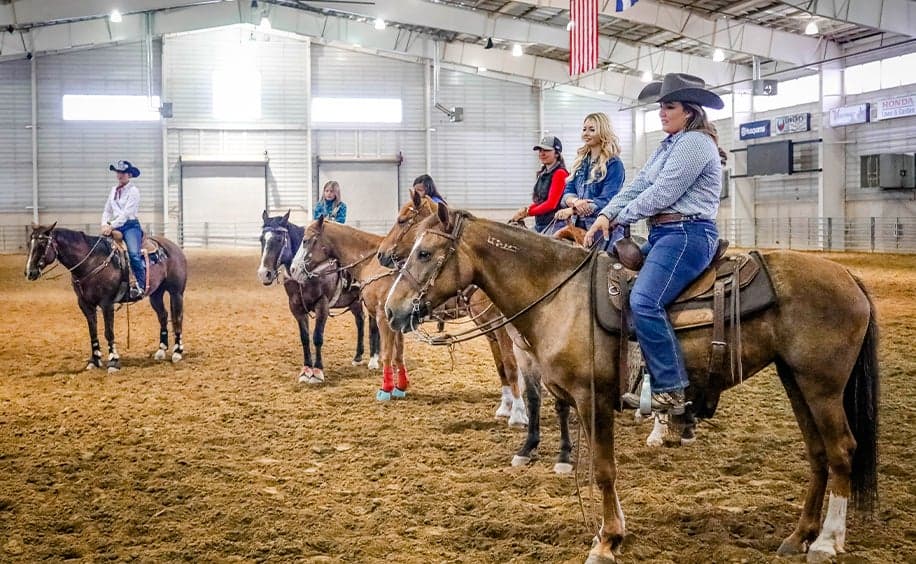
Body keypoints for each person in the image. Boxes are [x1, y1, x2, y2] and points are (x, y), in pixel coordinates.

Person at [584, 73, 728, 415]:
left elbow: (663, 193)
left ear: (689, 111)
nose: (662, 113)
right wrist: (606, 214)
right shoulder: (670, 145)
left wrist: (619, 217)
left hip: (687, 234)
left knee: (645, 300)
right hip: (666, 235)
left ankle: (670, 387)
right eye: (661, 107)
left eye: (670, 107)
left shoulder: (694, 144)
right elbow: (638, 185)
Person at [555, 112, 625, 241]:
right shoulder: (581, 162)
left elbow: (606, 200)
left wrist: (573, 210)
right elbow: (567, 192)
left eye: (592, 130)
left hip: (601, 228)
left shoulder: (614, 164)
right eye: (584, 129)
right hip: (577, 225)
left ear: (603, 132)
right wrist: (575, 201)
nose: (586, 133)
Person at [101, 160, 146, 301]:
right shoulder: (114, 190)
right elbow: (107, 209)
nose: (119, 175)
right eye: (118, 172)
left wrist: (111, 225)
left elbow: (126, 214)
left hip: (130, 226)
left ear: (129, 175)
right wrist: (104, 224)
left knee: (133, 254)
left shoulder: (134, 191)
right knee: (99, 250)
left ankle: (140, 285)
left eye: (123, 173)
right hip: (115, 225)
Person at [510, 135, 569, 234]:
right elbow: (540, 202)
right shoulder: (543, 174)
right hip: (541, 224)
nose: (542, 153)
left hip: (556, 224)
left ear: (557, 154)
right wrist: (525, 210)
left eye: (546, 150)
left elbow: (551, 204)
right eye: (540, 150)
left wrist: (528, 212)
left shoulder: (560, 174)